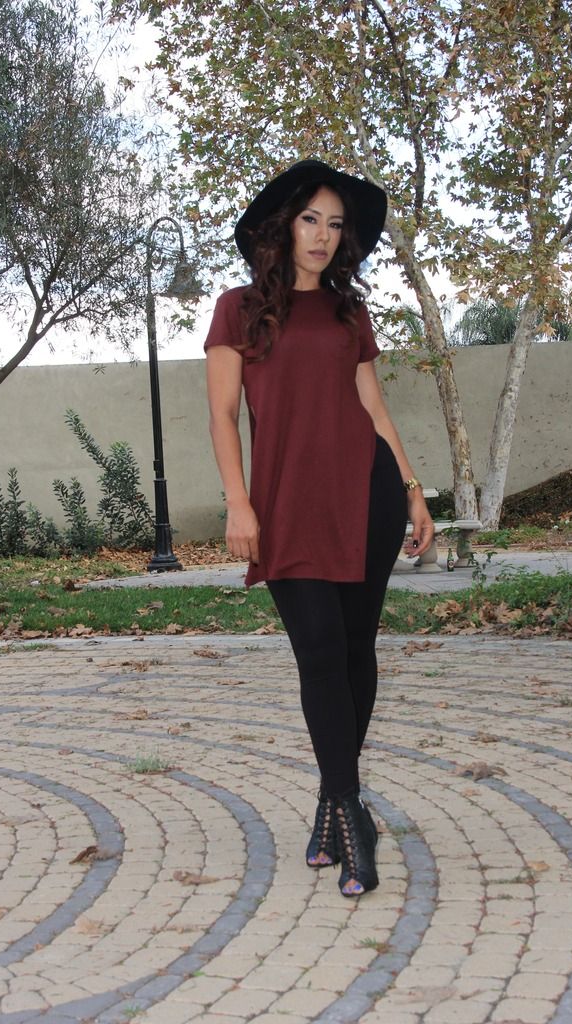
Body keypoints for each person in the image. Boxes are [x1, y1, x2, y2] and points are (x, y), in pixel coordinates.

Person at [204, 159, 434, 897]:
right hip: (284, 505)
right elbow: (223, 415)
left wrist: (412, 490)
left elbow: (373, 408)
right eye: (311, 219)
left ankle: (338, 805)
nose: (323, 236)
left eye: (335, 225)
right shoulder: (237, 309)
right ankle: (350, 810)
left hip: (365, 493)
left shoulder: (347, 312)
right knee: (320, 652)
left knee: (355, 649)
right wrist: (239, 503)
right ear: (283, 225)